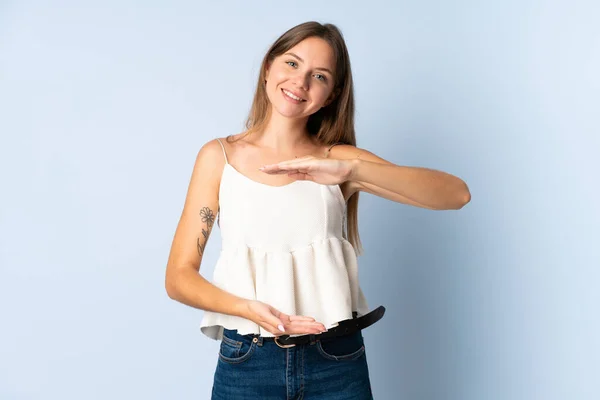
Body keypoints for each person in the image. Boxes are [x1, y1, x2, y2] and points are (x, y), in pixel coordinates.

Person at [165, 21, 470, 399]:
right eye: (292, 64)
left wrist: (352, 170)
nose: (300, 82)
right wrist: (246, 308)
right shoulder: (219, 157)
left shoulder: (338, 161)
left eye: (319, 75)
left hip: (336, 361)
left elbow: (456, 195)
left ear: (330, 95)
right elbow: (178, 277)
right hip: (248, 360)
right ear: (268, 68)